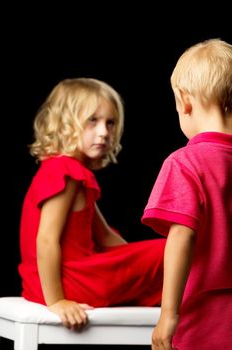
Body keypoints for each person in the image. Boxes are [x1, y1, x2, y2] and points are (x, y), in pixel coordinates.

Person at [18, 77, 166, 330]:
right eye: (92, 121)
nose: (104, 132)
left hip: (61, 279)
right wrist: (57, 301)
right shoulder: (64, 170)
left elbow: (105, 236)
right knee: (176, 249)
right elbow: (45, 240)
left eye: (110, 123)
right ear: (65, 123)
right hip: (66, 283)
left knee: (168, 253)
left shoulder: (72, 172)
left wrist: (137, 265)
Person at [141, 38, 232, 349]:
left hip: (202, 321)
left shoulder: (185, 163)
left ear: (184, 102)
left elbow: (182, 236)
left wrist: (168, 316)